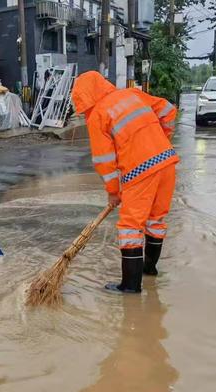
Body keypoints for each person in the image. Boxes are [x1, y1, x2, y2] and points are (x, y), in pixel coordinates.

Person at [71, 71, 179, 294]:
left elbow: (104, 160)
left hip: (140, 171)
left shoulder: (97, 115)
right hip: (167, 162)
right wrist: (161, 141)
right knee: (155, 220)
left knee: (130, 227)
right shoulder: (132, 94)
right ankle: (149, 270)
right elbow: (169, 111)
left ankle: (130, 286)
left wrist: (113, 191)